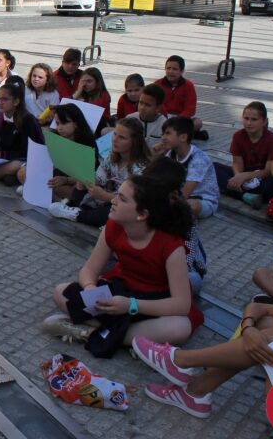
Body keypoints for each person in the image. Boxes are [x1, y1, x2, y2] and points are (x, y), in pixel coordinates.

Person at [131, 258, 273, 421]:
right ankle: (193, 390)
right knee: (267, 330)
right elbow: (260, 308)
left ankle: (181, 362)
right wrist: (249, 328)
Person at [44, 175, 203, 356]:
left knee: (179, 328)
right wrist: (90, 288)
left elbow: (181, 304)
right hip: (120, 289)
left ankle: (91, 332)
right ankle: (133, 341)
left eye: (122, 198)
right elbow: (90, 269)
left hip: (155, 301)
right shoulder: (113, 225)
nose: (113, 200)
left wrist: (131, 305)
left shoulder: (170, 244)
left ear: (142, 214)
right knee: (60, 291)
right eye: (117, 195)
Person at [50, 117, 151, 227]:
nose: (115, 139)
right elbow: (98, 179)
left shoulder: (141, 169)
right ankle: (76, 209)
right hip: (99, 201)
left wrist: (104, 196)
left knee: (112, 212)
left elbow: (132, 203)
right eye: (114, 134)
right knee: (80, 184)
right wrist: (85, 180)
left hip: (117, 205)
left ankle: (77, 214)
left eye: (122, 137)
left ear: (135, 142)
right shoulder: (111, 158)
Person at [143, 157, 208, 295]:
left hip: (181, 269)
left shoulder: (182, 213)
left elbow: (186, 261)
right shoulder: (141, 204)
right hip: (148, 264)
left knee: (191, 281)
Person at [17, 103, 97, 202]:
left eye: (64, 123)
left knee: (75, 190)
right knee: (23, 174)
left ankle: (47, 195)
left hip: (76, 183)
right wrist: (26, 167)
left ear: (76, 123)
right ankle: (51, 196)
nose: (59, 127)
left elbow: (89, 177)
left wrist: (66, 180)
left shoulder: (87, 144)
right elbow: (43, 160)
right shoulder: (56, 138)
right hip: (56, 178)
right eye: (58, 123)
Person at [213, 102, 273, 209]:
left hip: (262, 178)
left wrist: (245, 176)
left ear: (264, 121)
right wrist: (237, 177)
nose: (249, 123)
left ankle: (235, 192)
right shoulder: (238, 136)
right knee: (213, 167)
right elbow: (236, 163)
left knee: (271, 185)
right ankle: (245, 196)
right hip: (243, 176)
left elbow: (268, 171)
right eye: (246, 118)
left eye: (254, 119)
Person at [161, 116, 219, 219]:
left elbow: (185, 194)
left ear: (183, 137)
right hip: (178, 195)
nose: (163, 137)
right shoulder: (171, 153)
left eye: (168, 133)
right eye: (163, 133)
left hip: (203, 200)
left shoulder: (199, 159)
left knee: (191, 206)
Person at [155, 55, 208, 140]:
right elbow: (156, 104)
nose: (171, 71)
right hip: (162, 117)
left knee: (198, 123)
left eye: (175, 69)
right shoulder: (158, 84)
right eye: (168, 68)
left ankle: (177, 133)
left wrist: (178, 119)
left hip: (180, 119)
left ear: (181, 71)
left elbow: (190, 109)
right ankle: (185, 134)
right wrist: (165, 117)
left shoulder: (188, 85)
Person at [126, 83, 168, 153]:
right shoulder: (129, 119)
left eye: (148, 105)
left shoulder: (164, 125)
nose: (142, 108)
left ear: (158, 108)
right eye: (141, 103)